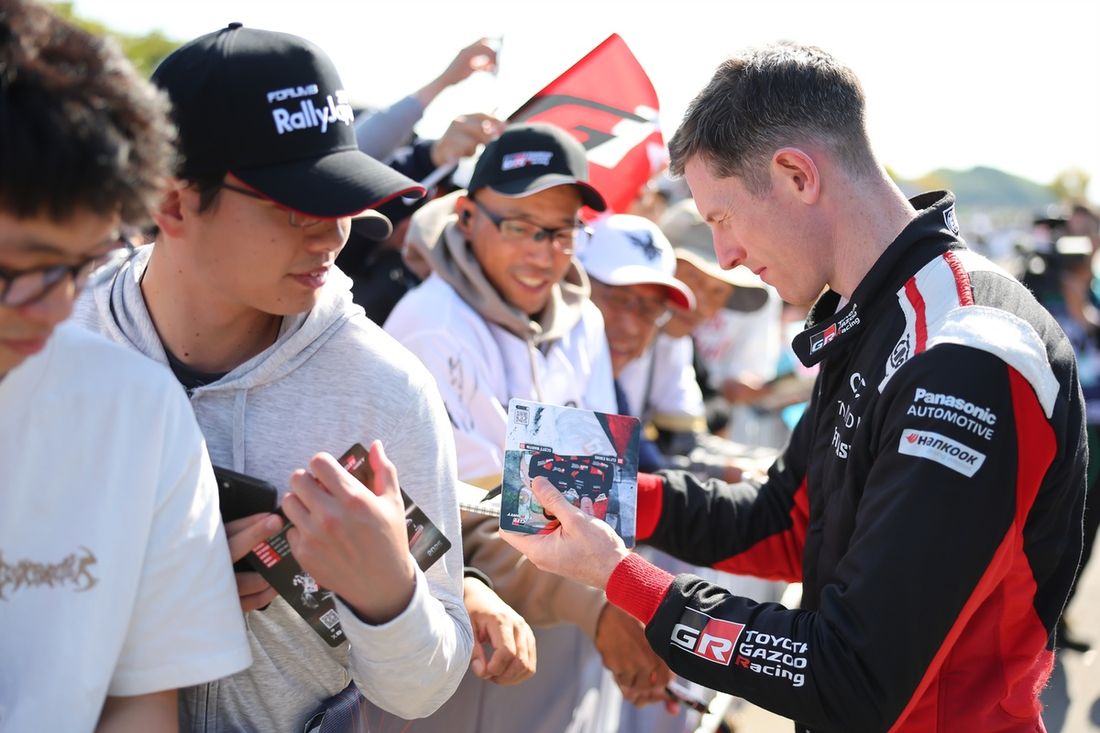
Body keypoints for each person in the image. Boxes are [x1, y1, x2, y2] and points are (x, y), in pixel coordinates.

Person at [503, 42, 1087, 733]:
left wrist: (620, 574)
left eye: (720, 218)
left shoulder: (968, 354)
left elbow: (853, 673)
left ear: (795, 175)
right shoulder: (874, 315)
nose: (724, 257)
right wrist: (595, 484)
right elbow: (786, 519)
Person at [73, 24, 473, 732]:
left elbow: (425, 688)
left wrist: (391, 597)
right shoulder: (54, 340)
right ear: (171, 202)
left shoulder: (383, 389)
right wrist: (150, 598)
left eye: (345, 198)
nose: (331, 234)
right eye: (294, 204)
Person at [0, 2, 251, 730]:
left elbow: (141, 697)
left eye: (80, 265)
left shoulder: (135, 409)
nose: (54, 307)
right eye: (21, 268)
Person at [385, 122, 671, 732]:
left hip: (572, 613)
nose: (543, 251)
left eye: (562, 231)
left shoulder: (584, 320)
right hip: (471, 630)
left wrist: (612, 594)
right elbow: (463, 519)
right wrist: (603, 603)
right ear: (466, 216)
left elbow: (593, 496)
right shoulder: (429, 325)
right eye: (519, 226)